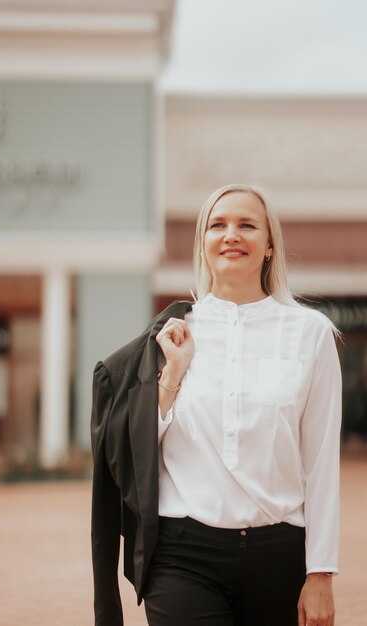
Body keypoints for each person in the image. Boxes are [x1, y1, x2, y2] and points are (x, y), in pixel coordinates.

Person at [90, 183, 342, 626]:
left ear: (268, 246)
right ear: (203, 244)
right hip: (181, 554)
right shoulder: (168, 336)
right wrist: (170, 378)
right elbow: (132, 454)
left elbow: (320, 464)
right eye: (217, 225)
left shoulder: (311, 334)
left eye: (247, 225)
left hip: (278, 555)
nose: (231, 235)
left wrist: (320, 572)